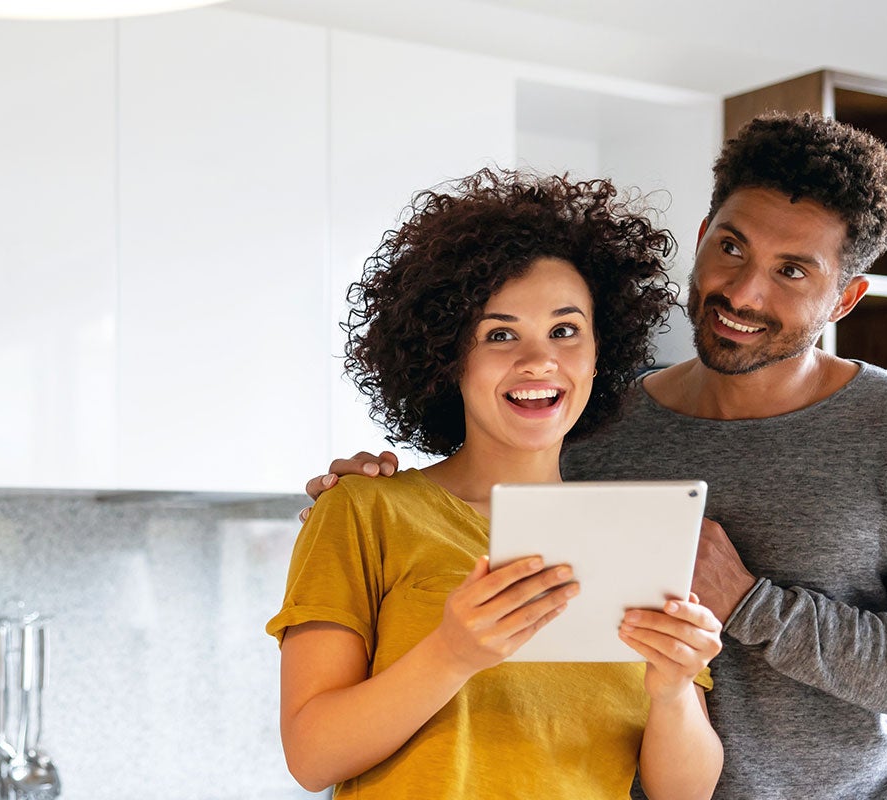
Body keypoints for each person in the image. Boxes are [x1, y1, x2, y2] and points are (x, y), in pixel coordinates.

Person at [303, 112, 887, 798]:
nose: (743, 292)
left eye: (793, 271)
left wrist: (750, 603)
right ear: (705, 231)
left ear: (846, 298)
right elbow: (476, 498)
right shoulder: (594, 427)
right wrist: (363, 495)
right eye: (733, 247)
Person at [268, 169, 723, 799]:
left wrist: (673, 691)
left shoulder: (637, 535)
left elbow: (686, 793)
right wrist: (451, 652)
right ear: (448, 356)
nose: (539, 361)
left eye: (566, 331)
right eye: (499, 334)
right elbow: (311, 756)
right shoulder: (362, 510)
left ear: (600, 352)